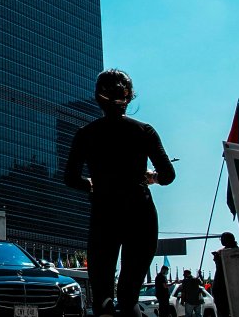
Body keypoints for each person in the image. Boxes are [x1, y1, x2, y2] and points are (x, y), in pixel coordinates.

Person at [63, 69, 175, 317]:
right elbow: (168, 175)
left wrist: (91, 183)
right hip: (140, 212)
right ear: (129, 97)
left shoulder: (85, 134)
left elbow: (70, 178)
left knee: (103, 295)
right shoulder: (144, 131)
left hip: (104, 212)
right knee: (129, 296)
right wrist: (151, 177)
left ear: (97, 98)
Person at [211, 231, 239, 317]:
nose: (221, 241)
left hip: (223, 283)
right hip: (222, 283)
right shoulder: (222, 251)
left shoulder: (227, 252)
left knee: (223, 309)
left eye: (222, 239)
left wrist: (217, 258)